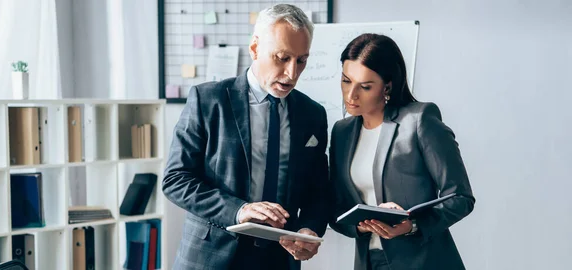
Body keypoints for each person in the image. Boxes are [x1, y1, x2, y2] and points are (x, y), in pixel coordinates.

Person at [163, 4, 329, 270]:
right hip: (210, 256)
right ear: (255, 48)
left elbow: (318, 191)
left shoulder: (313, 114)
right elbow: (176, 180)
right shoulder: (208, 100)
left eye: (301, 60)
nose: (292, 73)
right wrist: (239, 210)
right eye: (282, 57)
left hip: (279, 260)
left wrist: (309, 229)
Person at [328, 33, 476, 270]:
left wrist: (411, 224)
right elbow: (335, 207)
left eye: (365, 86)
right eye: (346, 80)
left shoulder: (419, 120)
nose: (350, 95)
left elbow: (461, 197)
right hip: (369, 262)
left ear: (387, 86)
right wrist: (360, 225)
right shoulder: (342, 132)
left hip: (423, 262)